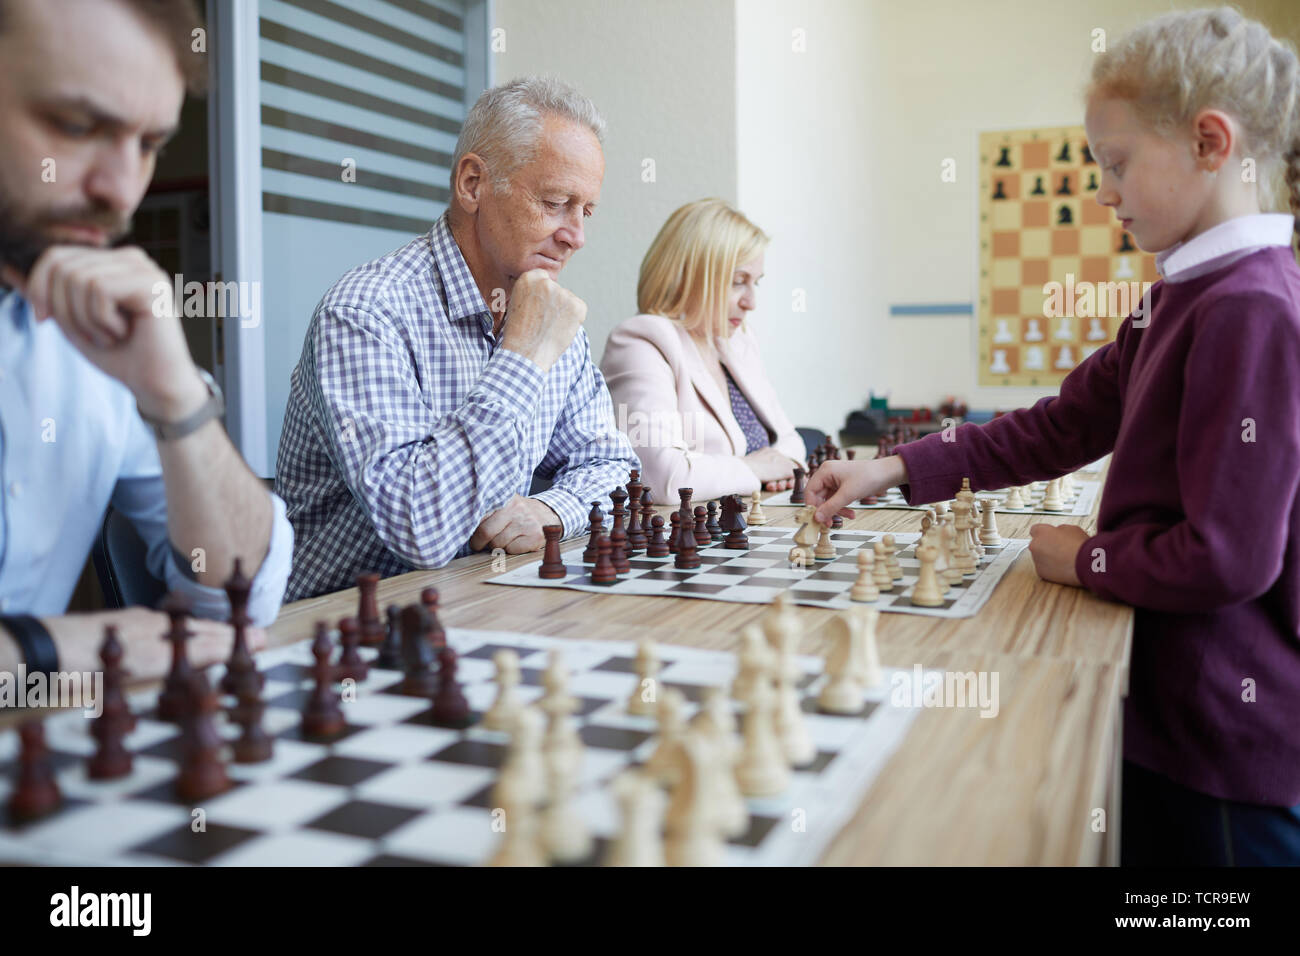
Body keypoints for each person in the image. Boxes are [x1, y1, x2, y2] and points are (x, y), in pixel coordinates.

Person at [807, 7, 1300, 865]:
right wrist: (891, 466)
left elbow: (1228, 559)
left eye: (1117, 164)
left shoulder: (1249, 309)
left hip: (1225, 751)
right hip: (1174, 717)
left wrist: (1088, 559)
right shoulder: (1181, 296)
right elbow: (1061, 425)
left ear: (1211, 143)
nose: (1103, 191)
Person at [0, 0, 293, 680]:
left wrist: (174, 393)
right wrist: (41, 651)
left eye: (149, 144)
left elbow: (237, 596)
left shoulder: (86, 332)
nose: (124, 191)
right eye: (76, 126)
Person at [276, 77, 638, 601]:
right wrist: (523, 356)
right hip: (345, 632)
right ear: (472, 184)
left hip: (482, 605)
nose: (575, 237)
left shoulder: (554, 320)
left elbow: (614, 468)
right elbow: (421, 529)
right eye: (556, 202)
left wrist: (553, 510)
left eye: (586, 211)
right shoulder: (365, 312)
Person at [600, 199, 805, 504]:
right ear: (691, 276)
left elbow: (791, 443)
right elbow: (662, 477)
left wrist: (771, 467)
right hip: (687, 541)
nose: (751, 302)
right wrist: (753, 469)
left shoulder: (736, 341)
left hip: (754, 524)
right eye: (738, 282)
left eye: (755, 284)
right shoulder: (641, 342)